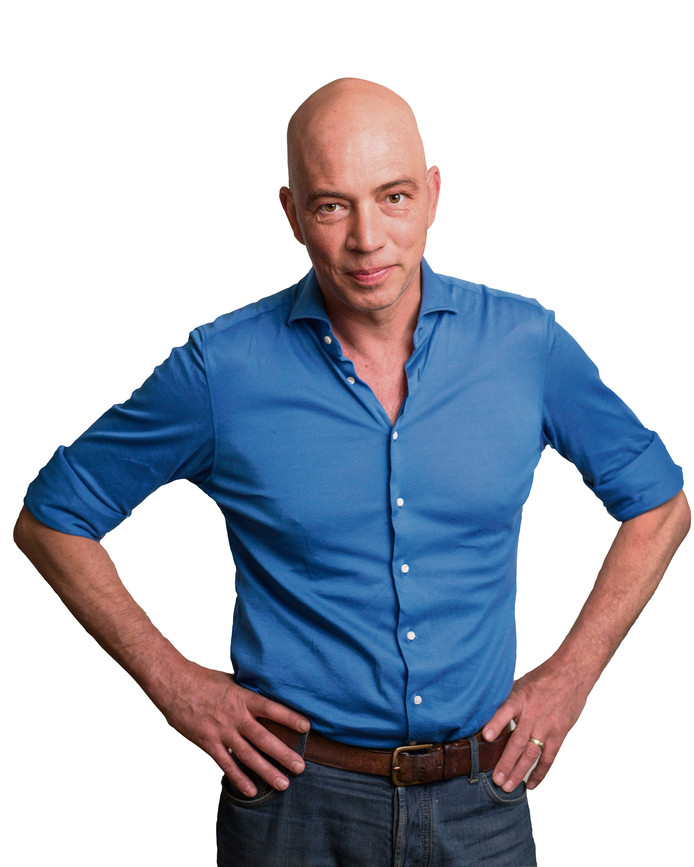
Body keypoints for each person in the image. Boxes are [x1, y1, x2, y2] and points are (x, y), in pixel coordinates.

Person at [14, 78, 689, 866]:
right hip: (294, 806)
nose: (368, 238)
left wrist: (572, 676)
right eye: (333, 205)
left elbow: (660, 506)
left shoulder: (524, 346)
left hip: (483, 801)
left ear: (433, 195)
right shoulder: (222, 370)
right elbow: (53, 517)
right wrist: (176, 686)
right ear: (293, 214)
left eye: (393, 197)